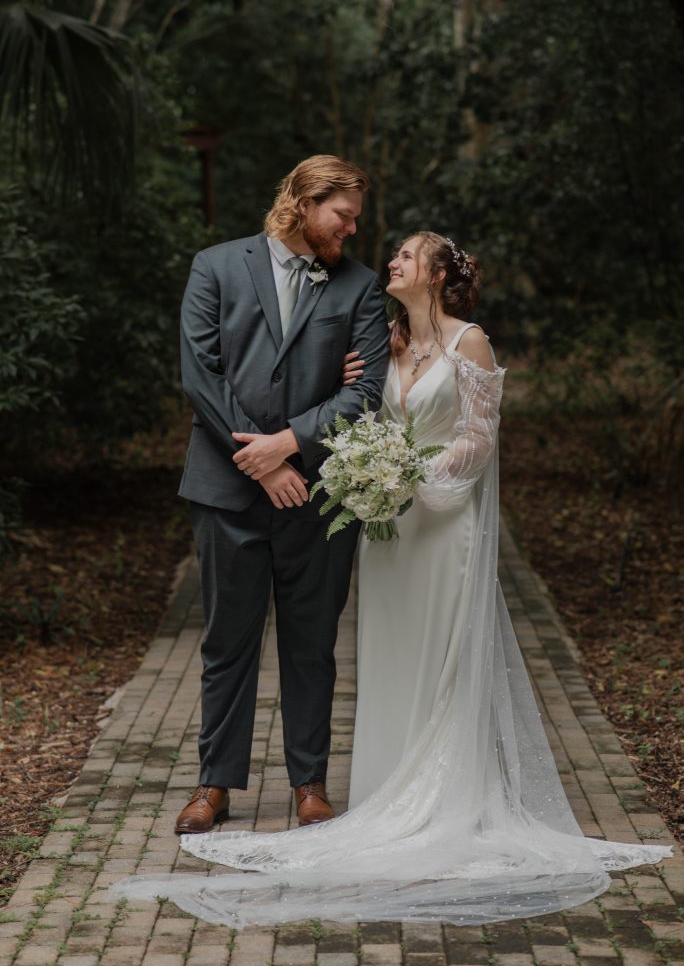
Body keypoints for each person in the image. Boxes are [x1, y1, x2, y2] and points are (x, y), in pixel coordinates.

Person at [114, 232, 670, 927]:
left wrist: (412, 476)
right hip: (387, 530)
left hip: (440, 523)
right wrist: (367, 471)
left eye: (407, 254)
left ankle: (429, 793)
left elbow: (478, 438)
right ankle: (377, 790)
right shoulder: (382, 340)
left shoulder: (472, 342)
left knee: (418, 654)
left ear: (439, 274)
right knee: (382, 656)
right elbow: (353, 403)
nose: (389, 260)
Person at [173, 154, 389, 835]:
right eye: (343, 214)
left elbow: (365, 393)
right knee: (227, 641)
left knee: (311, 644)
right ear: (302, 199)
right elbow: (199, 375)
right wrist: (260, 462)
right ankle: (214, 784)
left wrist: (290, 443)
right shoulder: (215, 266)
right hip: (228, 490)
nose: (352, 228)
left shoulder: (359, 287)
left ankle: (309, 784)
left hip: (319, 497)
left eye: (356, 217)